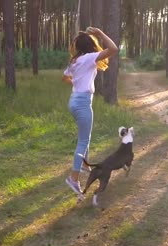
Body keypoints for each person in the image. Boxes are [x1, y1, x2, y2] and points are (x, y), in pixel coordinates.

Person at [62, 27, 118, 196]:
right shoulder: (88, 58)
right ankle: (73, 178)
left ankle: (84, 164)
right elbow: (114, 49)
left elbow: (65, 77)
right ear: (91, 45)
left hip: (74, 101)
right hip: (82, 103)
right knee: (83, 141)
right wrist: (100, 33)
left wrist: (76, 83)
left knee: (85, 137)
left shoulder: (75, 60)